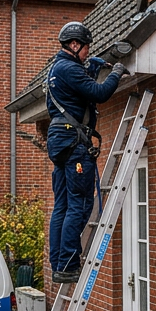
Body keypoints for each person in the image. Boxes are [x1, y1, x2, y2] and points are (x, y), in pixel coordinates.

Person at [44, 21, 127, 283]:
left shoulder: (57, 69)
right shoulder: (69, 68)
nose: (87, 53)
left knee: (63, 206)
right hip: (73, 143)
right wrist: (116, 72)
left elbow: (78, 92)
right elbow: (99, 93)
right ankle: (69, 264)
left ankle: (59, 263)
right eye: (86, 49)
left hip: (60, 142)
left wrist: (90, 67)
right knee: (79, 205)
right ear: (75, 45)